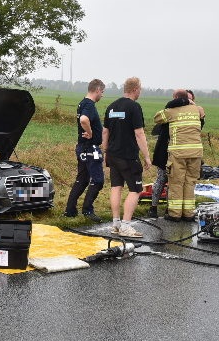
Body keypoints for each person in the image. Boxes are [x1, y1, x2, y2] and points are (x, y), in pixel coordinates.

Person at [101, 77, 152, 238]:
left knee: (116, 187)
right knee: (136, 189)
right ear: (136, 89)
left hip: (113, 154)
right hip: (128, 156)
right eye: (140, 89)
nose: (140, 92)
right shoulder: (134, 107)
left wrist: (105, 151)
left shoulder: (111, 106)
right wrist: (147, 156)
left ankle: (115, 224)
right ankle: (126, 225)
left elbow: (105, 132)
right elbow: (139, 133)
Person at [148, 90, 205, 219]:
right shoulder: (197, 109)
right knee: (190, 183)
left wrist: (173, 104)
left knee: (176, 183)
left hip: (178, 153)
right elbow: (202, 116)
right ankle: (188, 214)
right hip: (196, 153)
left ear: (175, 98)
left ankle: (175, 214)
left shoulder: (172, 111)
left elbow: (156, 118)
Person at [63, 79, 106, 222]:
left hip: (82, 147)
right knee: (98, 180)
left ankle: (70, 210)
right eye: (102, 92)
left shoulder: (82, 103)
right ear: (98, 90)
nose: (102, 95)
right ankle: (87, 210)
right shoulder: (89, 104)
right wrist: (91, 132)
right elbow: (84, 120)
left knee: (82, 180)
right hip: (90, 148)